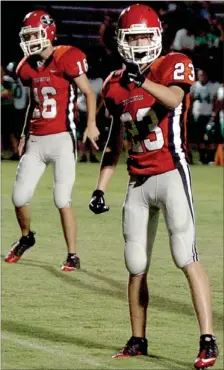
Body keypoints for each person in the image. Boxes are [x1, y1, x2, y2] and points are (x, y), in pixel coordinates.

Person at [89, 4, 218, 369]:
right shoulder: (115, 84)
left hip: (171, 173)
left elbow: (175, 99)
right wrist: (100, 187)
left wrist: (141, 80)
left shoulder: (171, 64)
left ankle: (208, 339)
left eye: (146, 35)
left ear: (157, 36)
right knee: (136, 263)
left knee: (185, 257)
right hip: (137, 180)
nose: (141, 42)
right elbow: (115, 141)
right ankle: (137, 339)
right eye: (133, 37)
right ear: (122, 42)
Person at [4, 10, 99, 271]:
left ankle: (72, 254)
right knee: (19, 196)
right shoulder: (27, 66)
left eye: (35, 34)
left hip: (61, 139)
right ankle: (26, 237)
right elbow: (33, 104)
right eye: (28, 35)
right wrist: (24, 134)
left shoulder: (67, 57)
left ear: (48, 32)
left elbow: (89, 93)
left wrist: (90, 125)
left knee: (61, 198)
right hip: (36, 139)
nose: (31, 39)